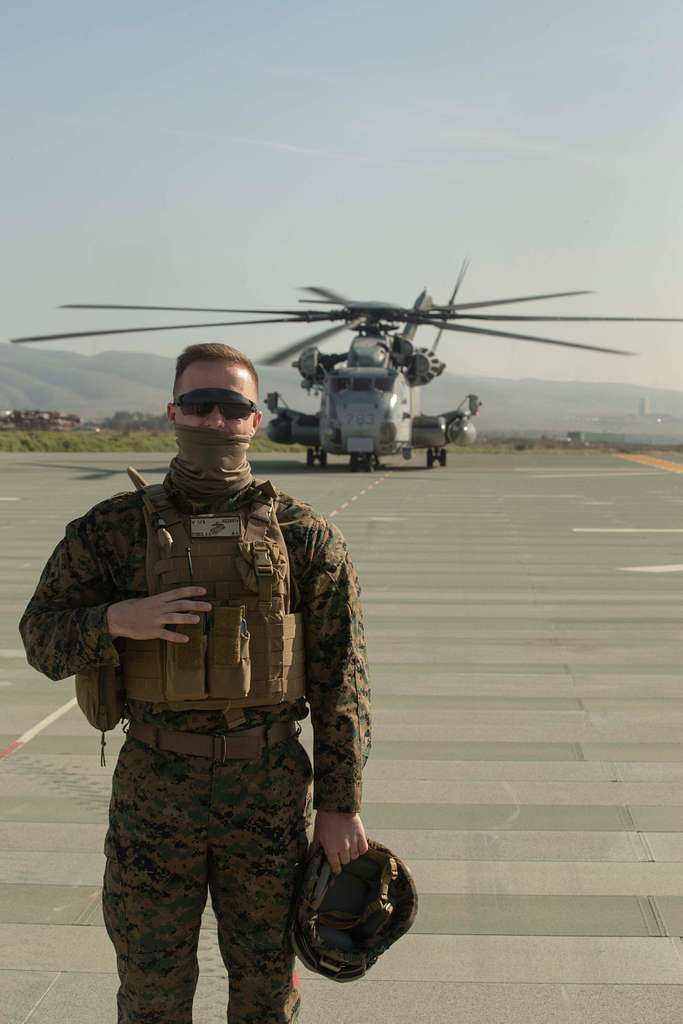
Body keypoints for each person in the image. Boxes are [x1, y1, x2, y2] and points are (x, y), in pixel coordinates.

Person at [19, 342, 371, 1024]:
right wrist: (119, 619)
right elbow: (41, 638)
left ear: (255, 419)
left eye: (231, 407)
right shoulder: (113, 530)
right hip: (155, 786)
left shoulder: (305, 537)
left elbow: (342, 681)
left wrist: (340, 802)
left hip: (268, 788)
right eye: (199, 405)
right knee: (151, 990)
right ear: (173, 412)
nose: (214, 420)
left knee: (267, 988)